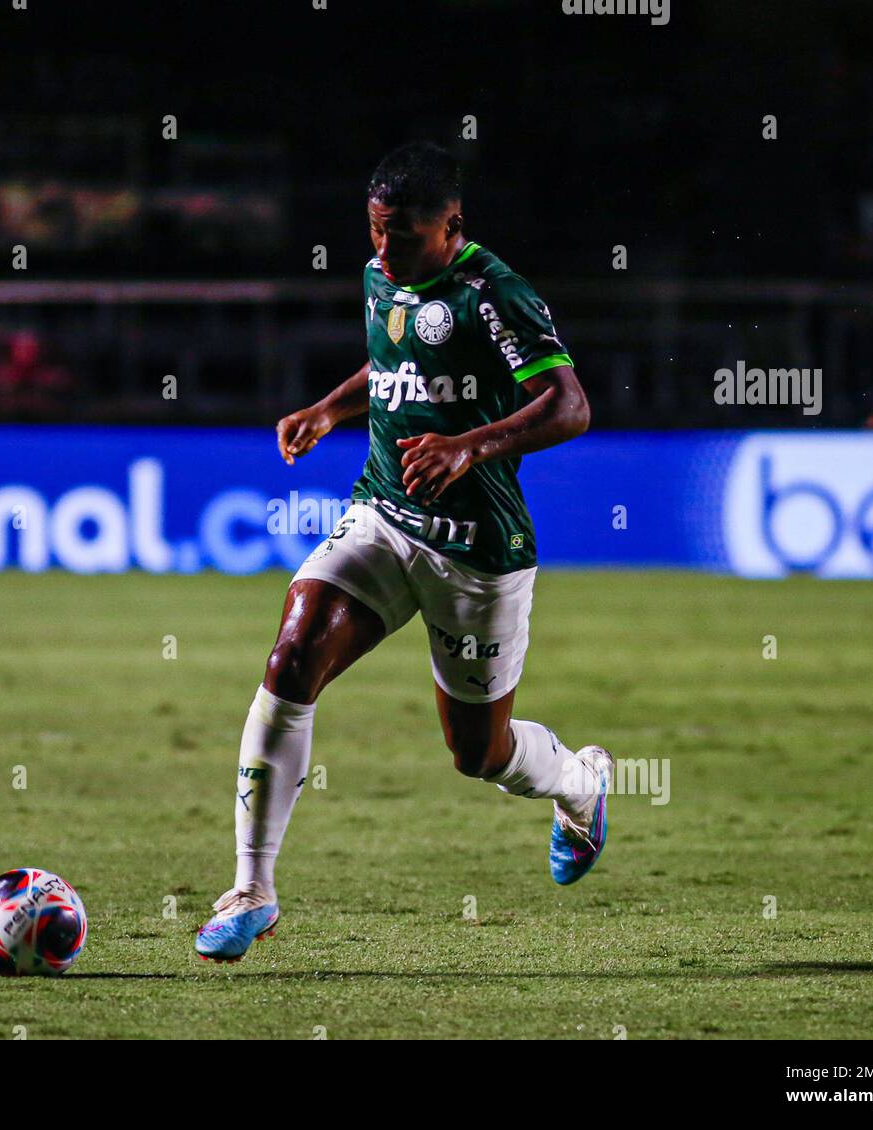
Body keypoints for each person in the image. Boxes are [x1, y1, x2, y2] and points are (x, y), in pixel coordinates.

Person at [196, 141, 613, 963]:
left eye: (404, 236)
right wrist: (328, 408)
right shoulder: (381, 274)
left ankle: (580, 783)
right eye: (376, 231)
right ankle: (253, 889)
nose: (385, 250)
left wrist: (471, 447)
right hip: (383, 516)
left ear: (452, 226)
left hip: (477, 548)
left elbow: (569, 407)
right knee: (292, 654)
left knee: (478, 754)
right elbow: (394, 364)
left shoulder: (494, 294)